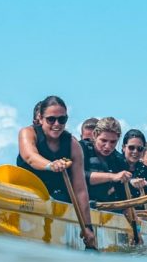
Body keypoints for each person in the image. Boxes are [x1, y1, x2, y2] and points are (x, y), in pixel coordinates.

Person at [17, 96, 96, 248]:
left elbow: (80, 189)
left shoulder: (73, 144)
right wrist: (50, 165)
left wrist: (88, 227)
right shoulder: (28, 133)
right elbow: (30, 156)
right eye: (51, 119)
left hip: (56, 196)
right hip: (28, 191)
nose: (57, 124)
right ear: (40, 118)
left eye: (62, 119)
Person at [79, 117, 132, 205]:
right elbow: (77, 176)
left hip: (105, 207)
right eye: (103, 140)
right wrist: (112, 176)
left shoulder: (120, 161)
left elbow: (123, 195)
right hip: (77, 202)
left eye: (113, 142)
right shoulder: (81, 149)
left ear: (118, 139)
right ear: (95, 135)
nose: (107, 146)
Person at [121, 129, 147, 242]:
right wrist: (130, 182)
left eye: (140, 149)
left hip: (140, 216)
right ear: (124, 147)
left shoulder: (146, 171)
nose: (135, 151)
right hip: (120, 210)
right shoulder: (116, 161)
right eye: (131, 148)